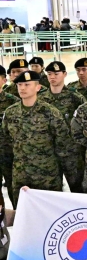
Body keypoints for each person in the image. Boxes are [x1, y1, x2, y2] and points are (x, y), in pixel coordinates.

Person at [0, 70, 79, 208]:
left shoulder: (50, 113)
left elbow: (64, 148)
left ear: (38, 87)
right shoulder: (11, 113)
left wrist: (73, 182)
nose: (22, 88)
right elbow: (6, 148)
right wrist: (10, 176)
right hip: (21, 179)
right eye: (20, 85)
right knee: (24, 220)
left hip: (47, 179)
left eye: (27, 84)